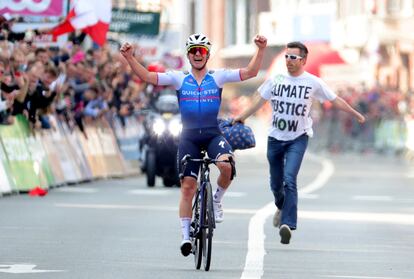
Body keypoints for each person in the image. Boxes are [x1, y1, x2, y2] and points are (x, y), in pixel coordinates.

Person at [120, 33, 267, 256]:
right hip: (188, 137)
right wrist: (130, 58)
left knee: (227, 166)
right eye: (193, 51)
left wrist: (261, 49)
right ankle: (186, 236)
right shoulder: (179, 78)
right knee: (188, 186)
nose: (198, 54)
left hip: (212, 135)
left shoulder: (218, 77)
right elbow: (149, 77)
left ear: (207, 54)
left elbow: (251, 72)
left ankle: (217, 199)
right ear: (188, 54)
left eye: (202, 51)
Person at [233, 41, 365, 245]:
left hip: (298, 138)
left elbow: (335, 99)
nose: (288, 60)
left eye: (293, 57)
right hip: (275, 138)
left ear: (303, 60)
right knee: (276, 184)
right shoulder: (276, 79)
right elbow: (259, 100)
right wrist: (241, 117)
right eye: (286, 56)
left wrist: (355, 113)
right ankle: (281, 206)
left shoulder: (313, 82)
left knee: (289, 179)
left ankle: (288, 224)